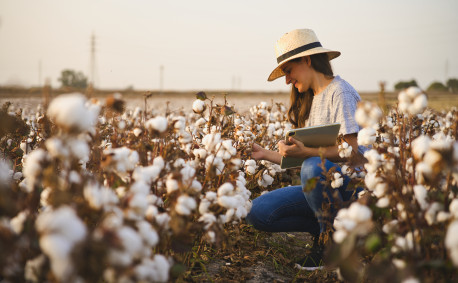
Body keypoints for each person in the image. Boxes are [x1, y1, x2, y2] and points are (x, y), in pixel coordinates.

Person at [246, 28, 367, 270]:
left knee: (312, 167)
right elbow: (307, 161)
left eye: (288, 71)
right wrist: (265, 154)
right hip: (322, 188)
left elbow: (353, 152)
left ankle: (329, 245)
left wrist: (308, 154)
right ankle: (329, 230)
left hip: (353, 191)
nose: (287, 80)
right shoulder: (309, 99)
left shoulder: (340, 92)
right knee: (257, 212)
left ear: (307, 60)